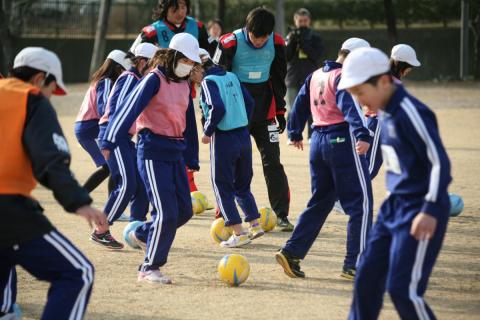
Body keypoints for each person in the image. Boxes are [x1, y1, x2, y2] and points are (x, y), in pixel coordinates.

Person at [339, 47, 451, 320]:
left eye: (361, 92)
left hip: (420, 209)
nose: (360, 101)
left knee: (402, 290)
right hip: (394, 208)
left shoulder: (411, 112)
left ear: (385, 81)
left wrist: (429, 209)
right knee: (366, 277)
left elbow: (440, 163)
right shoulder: (384, 113)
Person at [0, 47, 107, 319]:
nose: (50, 96)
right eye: (51, 89)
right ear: (39, 79)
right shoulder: (32, 99)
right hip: (8, 209)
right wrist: (80, 203)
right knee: (77, 273)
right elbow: (50, 160)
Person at [102, 33, 200, 284]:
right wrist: (109, 140)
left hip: (175, 151)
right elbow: (129, 108)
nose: (189, 66)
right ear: (175, 56)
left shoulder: (184, 84)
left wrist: (192, 158)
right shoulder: (153, 79)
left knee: (184, 210)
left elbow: (188, 122)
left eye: (193, 63)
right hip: (152, 150)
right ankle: (148, 267)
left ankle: (143, 233)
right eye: (186, 61)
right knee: (165, 212)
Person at [276, 38, 374, 280]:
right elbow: (350, 108)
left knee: (320, 201)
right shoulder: (344, 77)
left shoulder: (316, 74)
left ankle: (292, 252)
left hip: (317, 142)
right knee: (361, 204)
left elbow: (299, 102)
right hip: (341, 141)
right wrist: (363, 133)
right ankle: (354, 264)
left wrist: (295, 131)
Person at [214, 7, 294, 231]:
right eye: (256, 36)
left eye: (264, 37)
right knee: (230, 165)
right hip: (235, 115)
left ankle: (282, 215)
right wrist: (216, 116)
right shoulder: (229, 42)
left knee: (273, 163)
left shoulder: (277, 43)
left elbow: (279, 77)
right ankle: (224, 214)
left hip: (265, 113)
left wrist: (280, 110)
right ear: (247, 29)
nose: (260, 41)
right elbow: (216, 80)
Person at [86, 43, 158, 250]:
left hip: (125, 137)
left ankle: (137, 228)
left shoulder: (141, 80)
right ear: (142, 62)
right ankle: (101, 231)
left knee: (141, 183)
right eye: (152, 65)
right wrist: (111, 138)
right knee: (126, 184)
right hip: (114, 133)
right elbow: (119, 110)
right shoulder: (130, 78)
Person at [199, 52, 264, 248]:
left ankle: (239, 232)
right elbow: (250, 102)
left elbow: (217, 108)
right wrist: (242, 122)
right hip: (243, 136)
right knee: (242, 185)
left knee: (222, 186)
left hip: (223, 138)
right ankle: (255, 223)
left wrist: (207, 131)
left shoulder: (207, 81)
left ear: (198, 68)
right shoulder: (232, 76)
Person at [74, 50, 130, 194]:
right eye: (124, 71)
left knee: (109, 167)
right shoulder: (105, 81)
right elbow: (104, 107)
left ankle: (79, 197)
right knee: (112, 166)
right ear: (118, 68)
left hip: (88, 127)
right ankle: (112, 203)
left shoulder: (101, 80)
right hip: (90, 127)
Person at [366, 44, 422, 180]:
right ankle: (343, 198)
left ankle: (344, 197)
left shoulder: (380, 75)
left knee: (368, 166)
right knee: (368, 168)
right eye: (408, 66)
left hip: (377, 123)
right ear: (398, 63)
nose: (409, 69)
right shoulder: (389, 82)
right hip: (377, 123)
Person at [285, 8, 323, 142]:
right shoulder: (290, 36)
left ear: (309, 21)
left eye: (305, 20)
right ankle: (292, 134)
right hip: (293, 77)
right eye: (299, 20)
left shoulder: (315, 37)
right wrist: (293, 42)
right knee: (292, 108)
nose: (302, 23)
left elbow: (316, 56)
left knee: (313, 107)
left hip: (311, 77)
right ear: (295, 21)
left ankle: (312, 135)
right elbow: (287, 56)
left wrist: (303, 43)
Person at [132, 0, 208, 50]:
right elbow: (131, 56)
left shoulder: (198, 27)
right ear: (165, 9)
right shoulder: (151, 32)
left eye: (183, 7)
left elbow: (212, 53)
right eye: (175, 8)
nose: (180, 12)